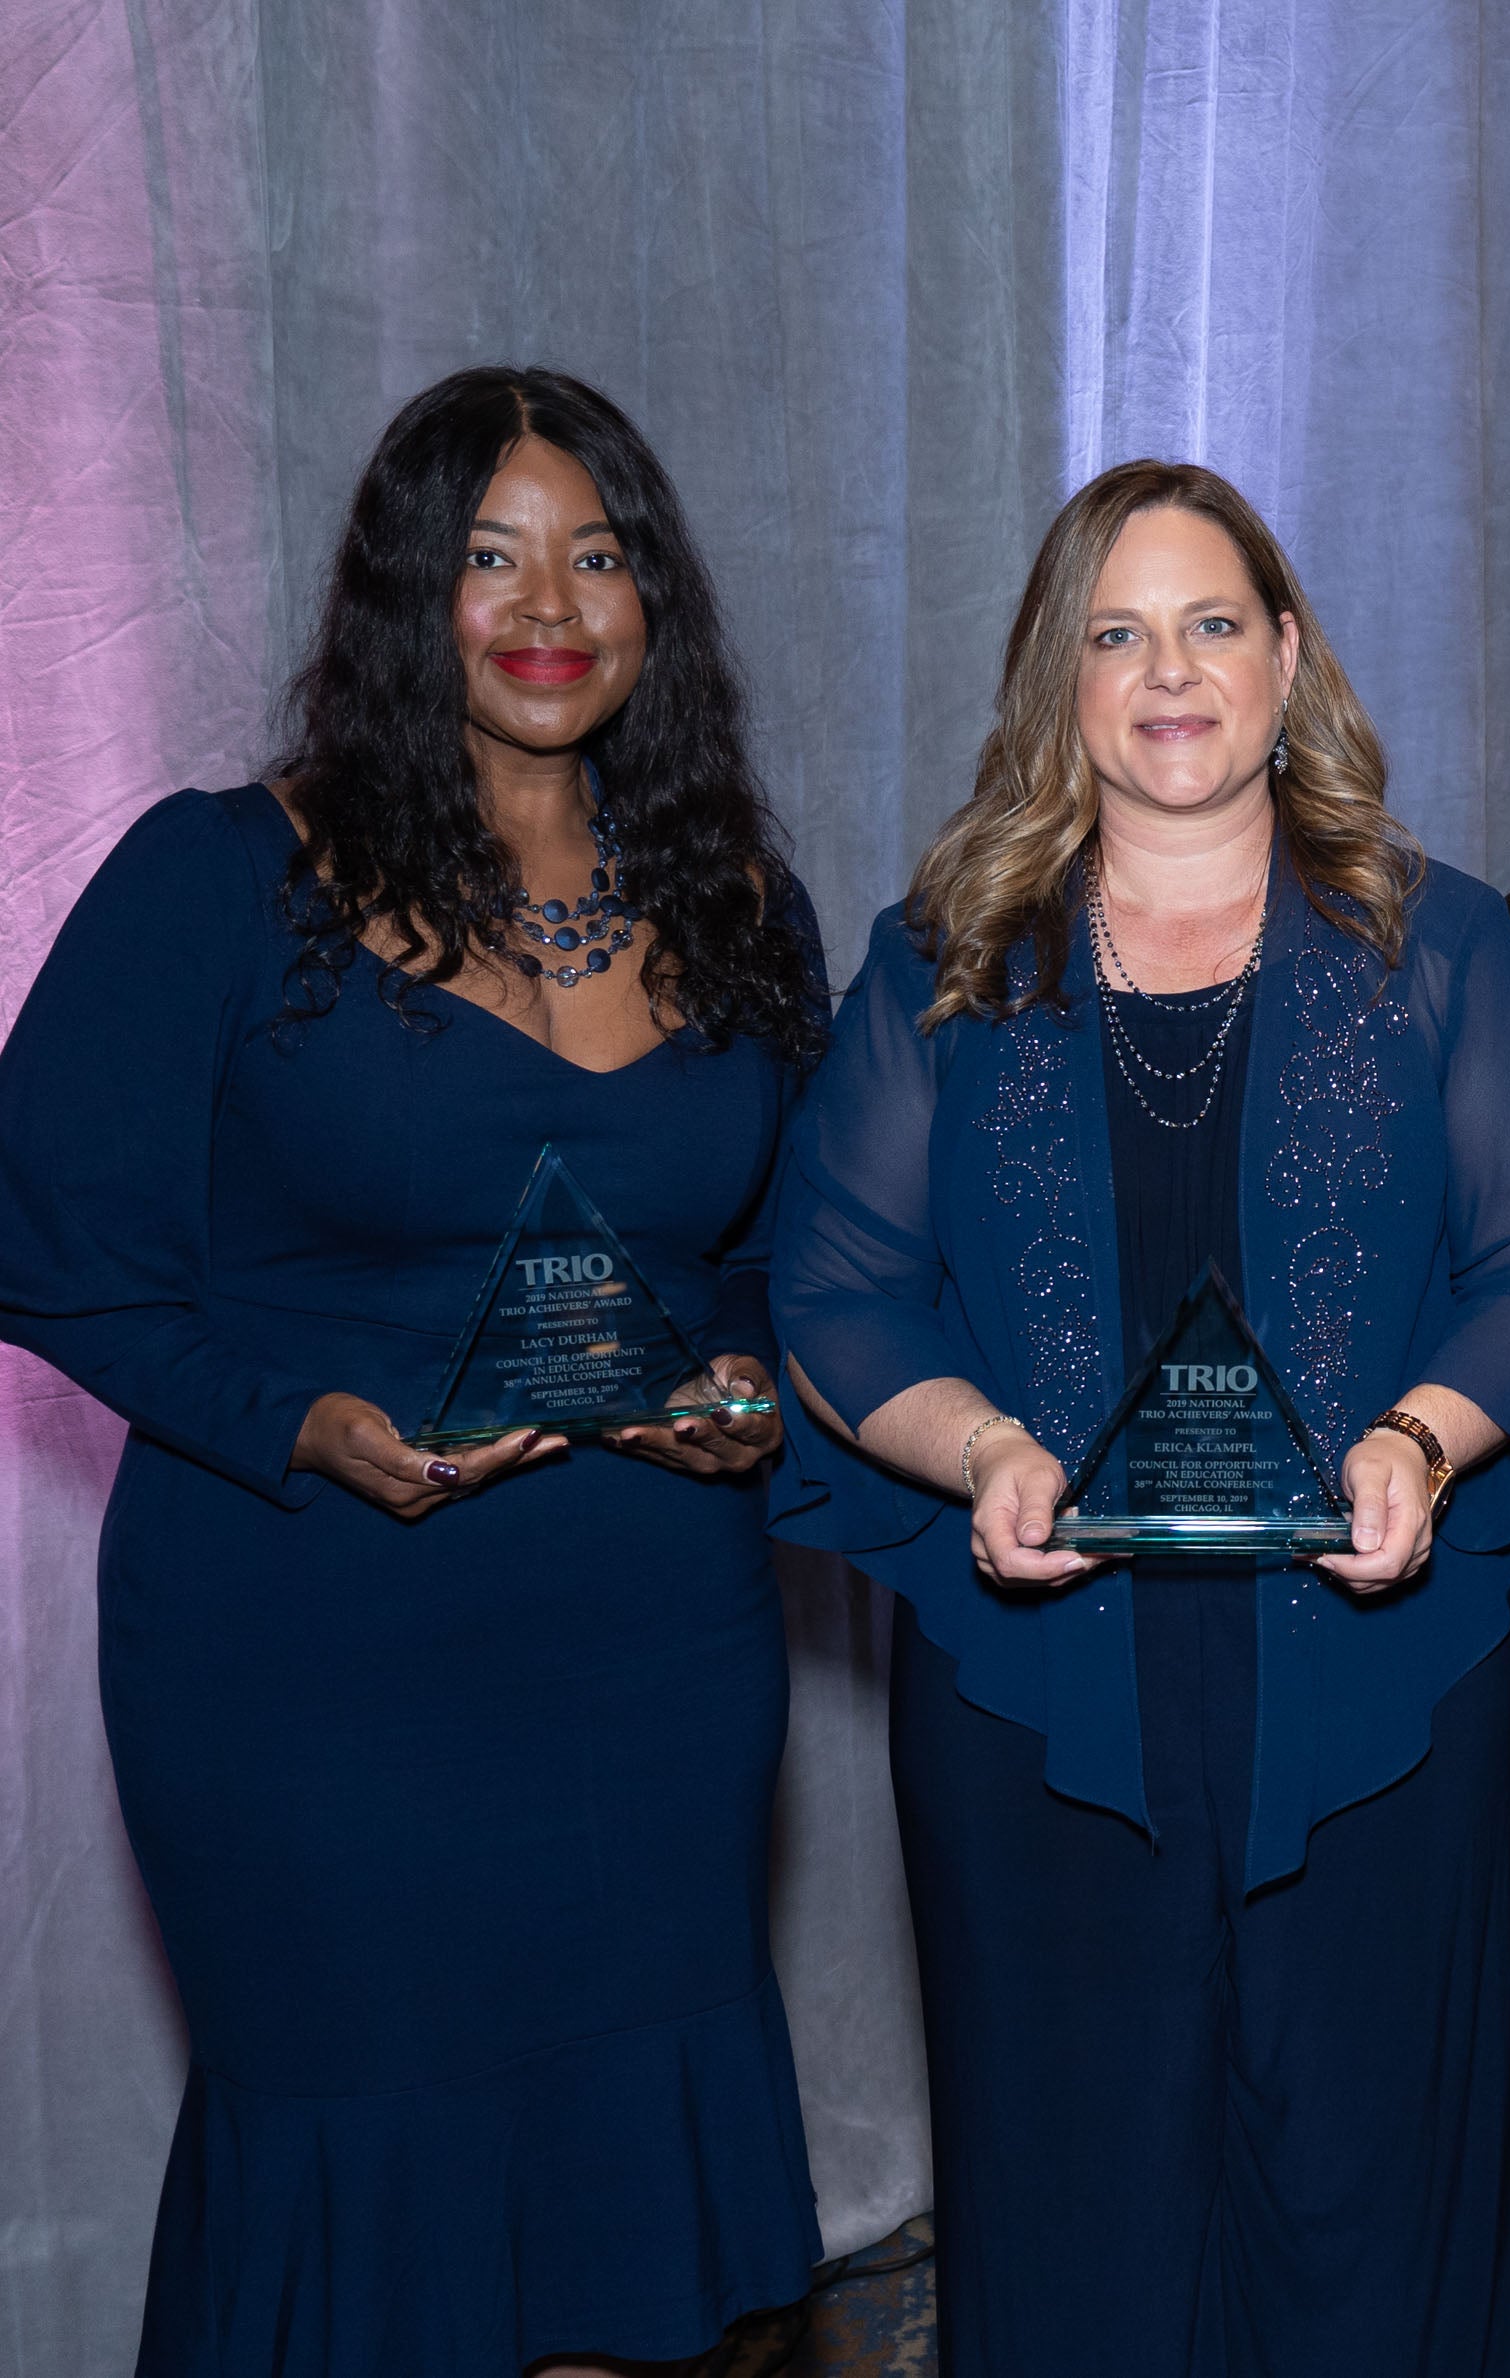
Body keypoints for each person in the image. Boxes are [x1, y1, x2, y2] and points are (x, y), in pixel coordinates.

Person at [0, 367, 825, 2376]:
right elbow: (45, 1236)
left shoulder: (741, 910)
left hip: (652, 1647)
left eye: (598, 552)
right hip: (309, 1645)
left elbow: (773, 1257)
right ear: (404, 594)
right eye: (489, 555)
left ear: (654, 604)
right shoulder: (219, 877)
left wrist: (747, 1387)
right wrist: (295, 1421)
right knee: (372, 2206)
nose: (550, 601)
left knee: (615, 2220)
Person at [770, 460, 1510, 2375]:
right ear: (1054, 680)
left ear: (1288, 654)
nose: (1171, 672)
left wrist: (1422, 1434)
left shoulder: (1437, 941)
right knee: (1072, 2214)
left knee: (1373, 2205)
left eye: (1213, 623)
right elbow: (836, 1287)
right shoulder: (946, 957)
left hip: (1379, 1694)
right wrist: (978, 1444)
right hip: (1039, 1690)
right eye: (1117, 632)